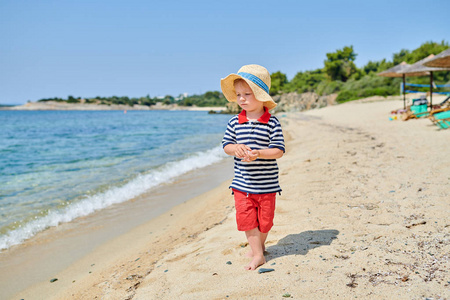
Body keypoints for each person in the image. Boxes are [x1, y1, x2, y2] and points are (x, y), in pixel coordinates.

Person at [221, 64, 285, 270]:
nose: (241, 98)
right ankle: (258, 254)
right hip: (242, 184)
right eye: (238, 94)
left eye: (247, 94)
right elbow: (226, 146)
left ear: (261, 96)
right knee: (247, 220)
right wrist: (236, 148)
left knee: (265, 222)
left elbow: (278, 151)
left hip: (267, 186)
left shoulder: (272, 123)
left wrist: (258, 153)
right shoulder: (234, 122)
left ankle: (259, 246)